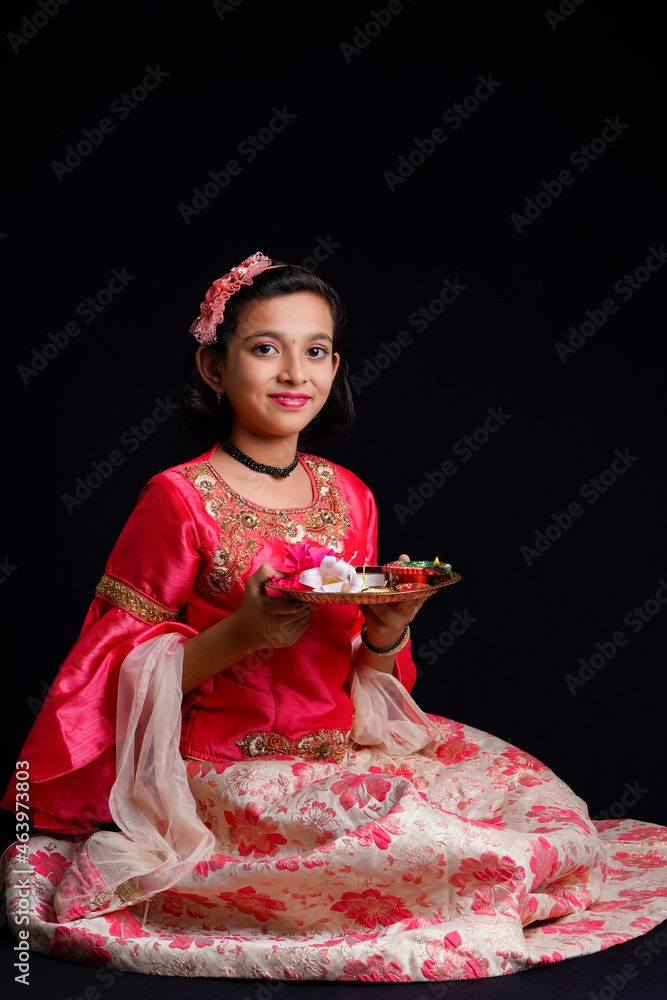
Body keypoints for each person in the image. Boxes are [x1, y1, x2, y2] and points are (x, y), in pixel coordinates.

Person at [2, 253, 666, 982]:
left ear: (335, 364)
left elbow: (364, 682)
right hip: (226, 775)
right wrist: (240, 636)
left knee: (539, 808)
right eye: (265, 349)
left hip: (343, 754)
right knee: (426, 844)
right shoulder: (177, 496)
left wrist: (386, 630)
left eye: (314, 351)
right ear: (214, 366)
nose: (294, 373)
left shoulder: (349, 496)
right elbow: (110, 670)